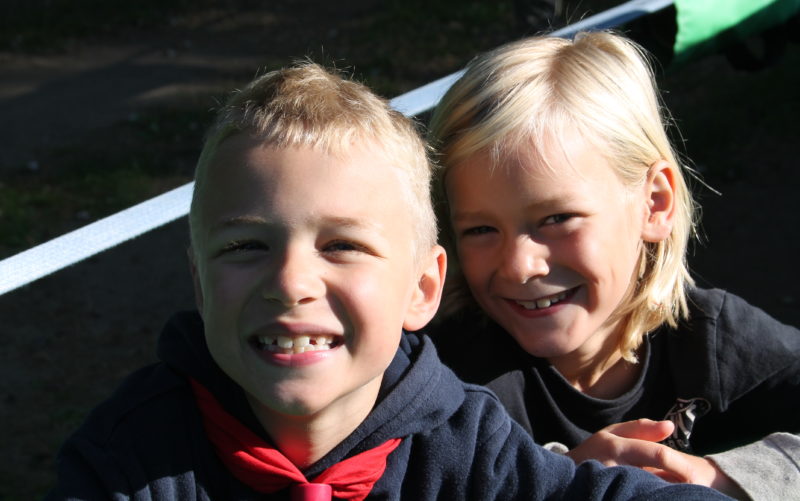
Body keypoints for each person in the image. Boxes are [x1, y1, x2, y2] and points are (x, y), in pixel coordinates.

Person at [44, 61, 729, 500]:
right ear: (198, 282)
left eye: (342, 245)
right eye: (246, 246)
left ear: (422, 289)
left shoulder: (469, 444)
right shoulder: (128, 455)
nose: (291, 281)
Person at [427, 31, 800, 500]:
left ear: (655, 203)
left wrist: (718, 479)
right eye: (481, 229)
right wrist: (560, 485)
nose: (520, 266)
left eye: (557, 219)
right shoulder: (445, 380)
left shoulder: (708, 339)